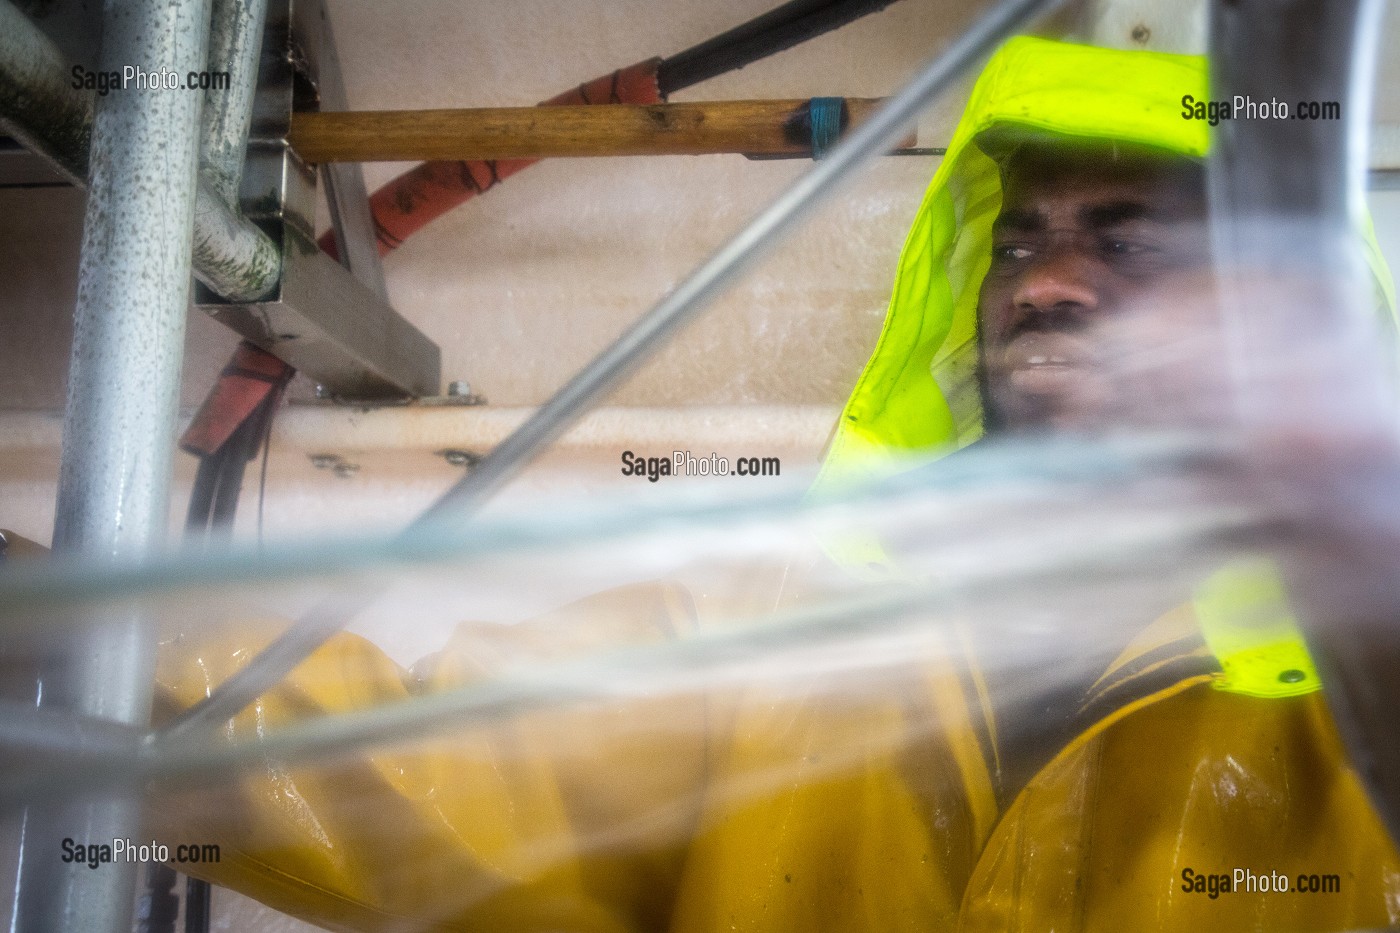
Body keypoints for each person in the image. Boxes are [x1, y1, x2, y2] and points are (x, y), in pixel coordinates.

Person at [148, 36, 1400, 931]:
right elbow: (396, 768)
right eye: (1016, 242)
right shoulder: (775, 631)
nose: (1041, 283)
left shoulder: (1368, 687)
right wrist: (76, 653)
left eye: (1128, 241)